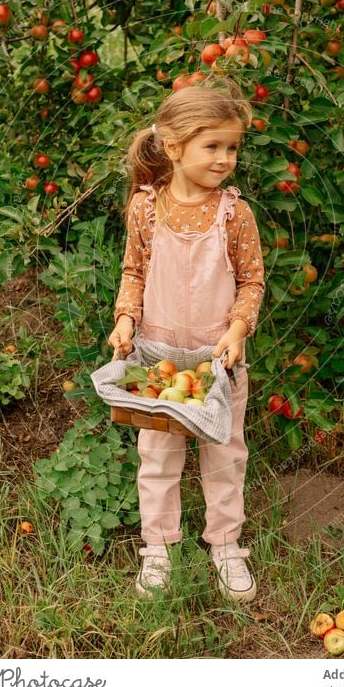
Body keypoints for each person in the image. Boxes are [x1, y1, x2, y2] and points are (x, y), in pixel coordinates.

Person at [108, 77, 265, 602]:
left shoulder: (233, 213)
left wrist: (239, 329)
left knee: (224, 454)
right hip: (156, 356)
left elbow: (251, 281)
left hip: (217, 358)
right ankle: (158, 547)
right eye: (213, 146)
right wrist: (126, 319)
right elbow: (134, 272)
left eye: (233, 147)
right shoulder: (146, 208)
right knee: (156, 454)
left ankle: (225, 544)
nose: (225, 158)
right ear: (174, 147)